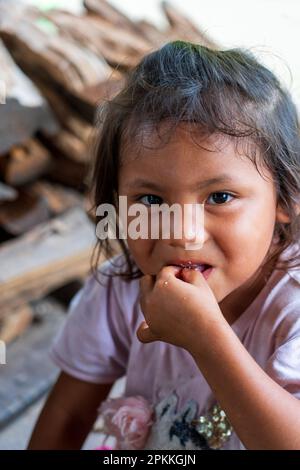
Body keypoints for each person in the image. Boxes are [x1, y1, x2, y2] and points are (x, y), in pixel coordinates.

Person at [28, 41, 300, 450]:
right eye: (151, 201)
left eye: (220, 197)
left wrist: (207, 339)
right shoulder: (119, 289)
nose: (183, 234)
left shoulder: (291, 309)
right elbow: (68, 416)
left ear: (285, 199)